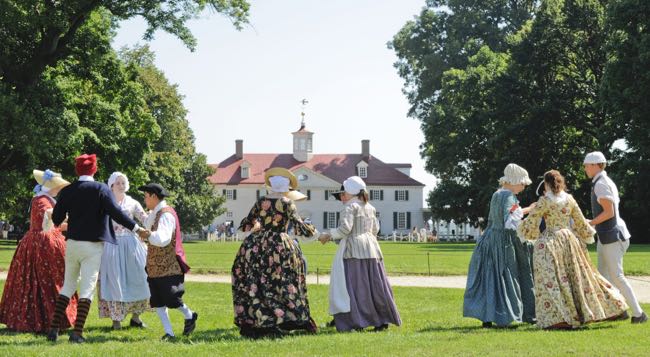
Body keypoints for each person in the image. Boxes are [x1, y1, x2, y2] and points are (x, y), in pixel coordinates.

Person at [48, 154, 147, 343]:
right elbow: (116, 213)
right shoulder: (101, 189)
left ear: (77, 170)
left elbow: (57, 219)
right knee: (87, 289)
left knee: (68, 285)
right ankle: (77, 333)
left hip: (73, 244)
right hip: (93, 245)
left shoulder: (68, 190)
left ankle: (53, 329)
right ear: (94, 169)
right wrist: (137, 228)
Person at [518, 170, 629, 329]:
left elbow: (531, 221)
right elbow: (580, 221)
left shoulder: (545, 201)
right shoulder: (569, 199)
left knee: (551, 279)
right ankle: (615, 307)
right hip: (569, 240)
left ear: (547, 183)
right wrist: (586, 234)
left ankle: (559, 319)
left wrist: (524, 232)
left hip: (550, 241)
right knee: (582, 277)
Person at [232, 167, 318, 339]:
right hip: (280, 245)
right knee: (282, 280)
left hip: (258, 244)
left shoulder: (261, 201)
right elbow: (299, 224)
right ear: (286, 187)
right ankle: (287, 317)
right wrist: (314, 232)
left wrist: (257, 229)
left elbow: (247, 224)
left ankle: (261, 318)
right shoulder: (287, 203)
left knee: (259, 281)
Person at [319, 176, 401, 332]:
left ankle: (358, 321)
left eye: (343, 193)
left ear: (350, 192)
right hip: (372, 248)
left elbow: (345, 229)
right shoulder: (370, 207)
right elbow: (375, 230)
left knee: (356, 287)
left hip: (354, 249)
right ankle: (381, 320)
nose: (342, 197)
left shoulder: (350, 207)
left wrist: (327, 235)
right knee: (375, 286)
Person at [0, 169, 78, 332]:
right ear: (50, 186)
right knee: (43, 279)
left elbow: (54, 223)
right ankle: (42, 320)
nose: (59, 189)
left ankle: (53, 319)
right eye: (57, 186)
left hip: (45, 240)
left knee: (51, 278)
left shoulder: (46, 198)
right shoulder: (41, 200)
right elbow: (50, 216)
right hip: (41, 244)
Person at [463, 163, 536, 327]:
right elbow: (510, 221)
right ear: (514, 181)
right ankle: (507, 316)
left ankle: (488, 316)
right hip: (503, 243)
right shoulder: (508, 195)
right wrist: (529, 209)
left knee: (491, 278)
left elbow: (497, 219)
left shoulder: (497, 194)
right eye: (522, 183)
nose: (523, 187)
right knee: (506, 277)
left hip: (490, 240)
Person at [583, 152, 647, 323]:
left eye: (586, 165)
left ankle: (639, 314)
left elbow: (609, 212)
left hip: (613, 235)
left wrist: (591, 223)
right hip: (607, 236)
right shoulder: (600, 182)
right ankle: (618, 311)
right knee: (604, 275)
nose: (585, 169)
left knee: (617, 277)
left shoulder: (601, 184)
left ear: (596, 165)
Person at [138, 183, 197, 340]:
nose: (144, 200)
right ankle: (169, 333)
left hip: (169, 265)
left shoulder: (166, 215)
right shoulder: (155, 213)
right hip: (154, 266)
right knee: (157, 301)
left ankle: (190, 315)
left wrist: (146, 234)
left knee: (172, 298)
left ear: (154, 197)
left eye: (145, 196)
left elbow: (163, 239)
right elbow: (147, 225)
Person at [98, 172, 150, 330]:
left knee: (139, 278)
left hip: (132, 245)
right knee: (115, 281)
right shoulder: (106, 201)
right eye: (118, 182)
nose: (121, 185)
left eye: (123, 182)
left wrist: (159, 217)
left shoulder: (132, 202)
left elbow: (145, 218)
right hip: (112, 244)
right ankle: (116, 320)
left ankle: (136, 317)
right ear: (111, 185)